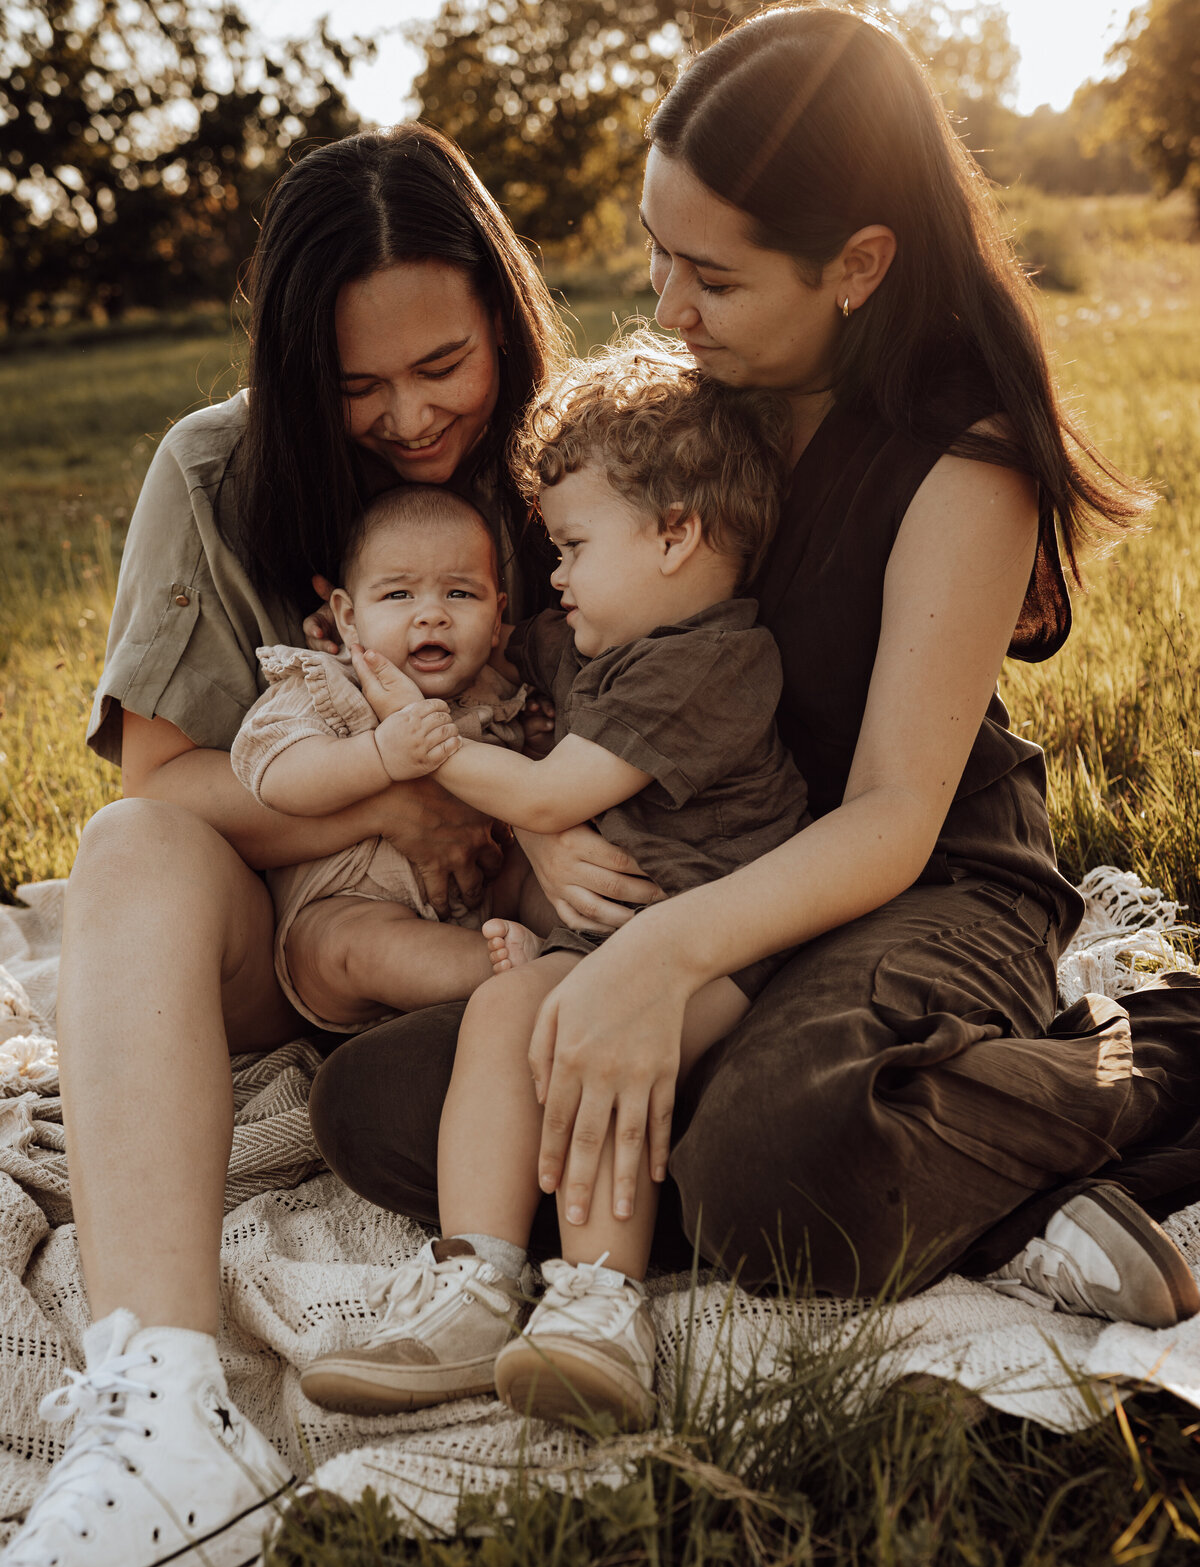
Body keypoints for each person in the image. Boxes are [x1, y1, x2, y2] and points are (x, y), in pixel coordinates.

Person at [309, 6, 1200, 1337]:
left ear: (858, 264)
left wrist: (659, 959)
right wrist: (553, 848)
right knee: (384, 1105)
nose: (668, 309)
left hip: (917, 882)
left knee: (767, 1171)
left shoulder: (963, 452)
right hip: (711, 869)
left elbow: (896, 816)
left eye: (711, 281)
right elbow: (575, 663)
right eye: (661, 260)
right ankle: (883, 1162)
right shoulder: (684, 411)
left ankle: (1143, 1067)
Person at [0, 123, 614, 1567]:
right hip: (290, 933)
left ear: (507, 315)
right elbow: (163, 776)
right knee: (129, 851)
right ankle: (165, 1403)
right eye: (358, 386)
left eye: (445, 363)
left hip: (523, 918)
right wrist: (379, 795)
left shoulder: (577, 461)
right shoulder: (215, 468)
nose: (410, 416)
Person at [298, 339, 809, 1430]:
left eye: (573, 547)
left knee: (589, 1040)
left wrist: (407, 730)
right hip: (603, 944)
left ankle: (598, 1305)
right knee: (502, 1009)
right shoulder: (592, 636)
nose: (558, 577)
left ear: (676, 534)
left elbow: (543, 796)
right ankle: (477, 1281)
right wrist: (373, 643)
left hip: (713, 947)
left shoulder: (709, 659)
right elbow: (480, 650)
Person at [230, 485, 553, 1032]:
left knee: (538, 867)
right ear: (349, 619)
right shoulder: (326, 685)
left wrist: (537, 741)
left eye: (460, 594)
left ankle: (575, 943)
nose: (431, 616)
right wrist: (378, 756)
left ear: (497, 617)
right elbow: (275, 777)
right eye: (399, 595)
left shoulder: (493, 691)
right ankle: (516, 972)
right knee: (356, 945)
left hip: (481, 895)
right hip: (349, 907)